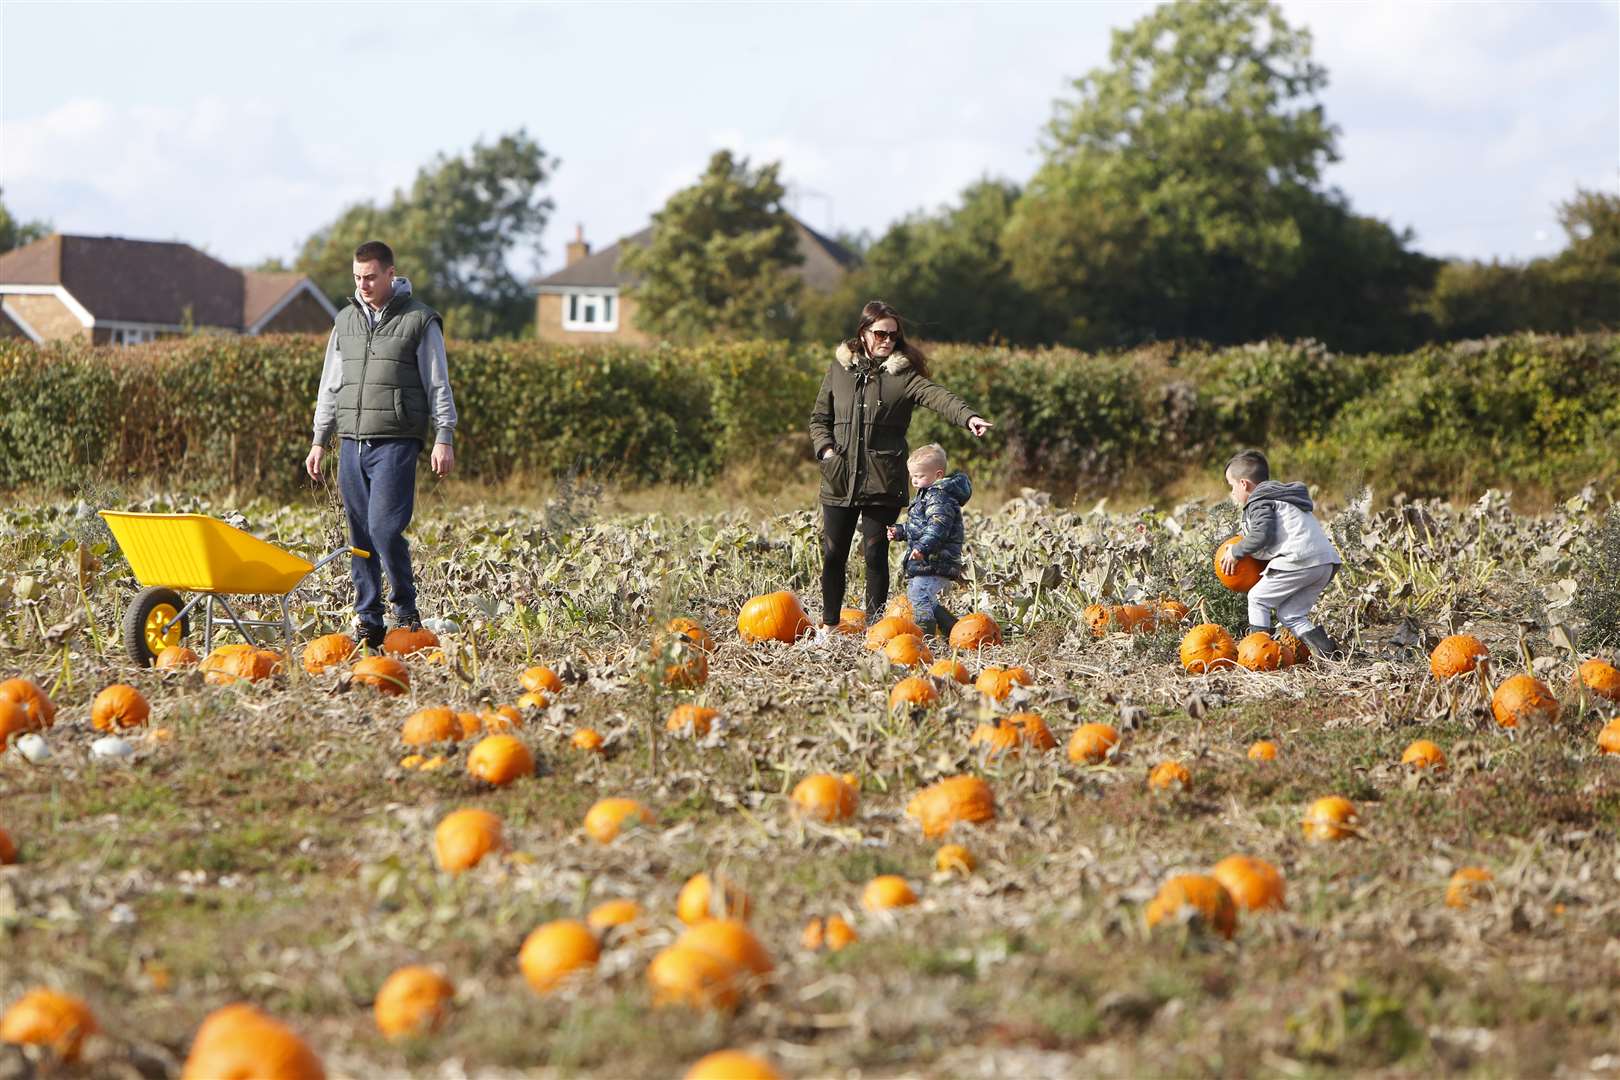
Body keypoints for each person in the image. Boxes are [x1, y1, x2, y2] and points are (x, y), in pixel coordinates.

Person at [304, 240, 457, 649]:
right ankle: (369, 618)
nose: (363, 285)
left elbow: (437, 382)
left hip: (396, 440)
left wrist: (445, 435)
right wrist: (320, 440)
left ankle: (406, 611)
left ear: (391, 273)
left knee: (385, 529)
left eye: (370, 277)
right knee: (359, 536)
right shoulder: (345, 321)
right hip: (351, 442)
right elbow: (330, 385)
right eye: (357, 278)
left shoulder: (420, 320)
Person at [808, 300, 992, 626]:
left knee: (876, 556)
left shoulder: (903, 375)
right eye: (880, 334)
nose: (887, 341)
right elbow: (819, 418)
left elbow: (939, 397)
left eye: (893, 336)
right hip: (839, 476)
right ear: (864, 333)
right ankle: (829, 627)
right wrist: (827, 453)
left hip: (884, 479)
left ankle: (876, 628)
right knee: (833, 555)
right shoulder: (839, 370)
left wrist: (969, 417)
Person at [1218, 449, 1344, 659]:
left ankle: (1256, 654)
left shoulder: (1259, 501)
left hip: (1299, 559)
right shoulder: (1283, 499)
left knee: (1257, 599)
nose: (1232, 493)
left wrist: (1236, 552)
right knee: (1291, 614)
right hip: (1324, 563)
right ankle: (1330, 655)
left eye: (1231, 486)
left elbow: (1262, 535)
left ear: (1243, 484)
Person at [886, 444, 971, 638]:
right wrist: (900, 531)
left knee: (919, 595)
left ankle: (926, 635)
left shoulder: (939, 497)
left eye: (920, 476)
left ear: (938, 475)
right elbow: (919, 526)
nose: (915, 481)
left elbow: (937, 527)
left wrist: (923, 547)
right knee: (922, 597)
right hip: (929, 558)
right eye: (913, 476)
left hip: (937, 558)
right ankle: (953, 629)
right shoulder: (927, 495)